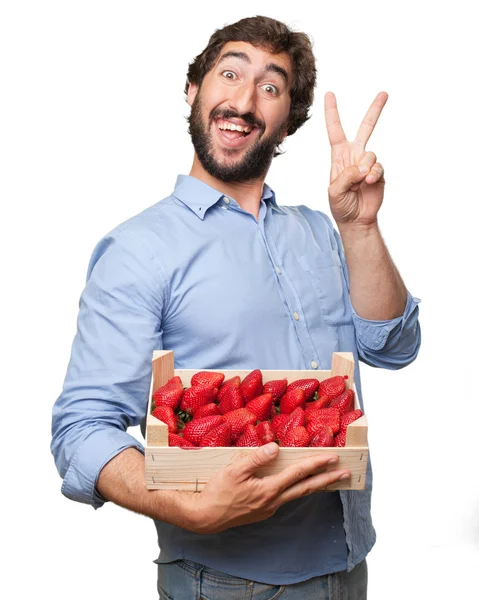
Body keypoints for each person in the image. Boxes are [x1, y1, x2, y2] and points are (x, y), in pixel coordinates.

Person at [51, 14, 421, 599]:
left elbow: (394, 347)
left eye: (270, 87)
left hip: (349, 568)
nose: (245, 100)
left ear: (287, 121)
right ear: (194, 91)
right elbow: (83, 428)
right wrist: (183, 507)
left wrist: (360, 226)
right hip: (224, 582)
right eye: (230, 74)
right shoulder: (140, 250)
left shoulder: (322, 232)